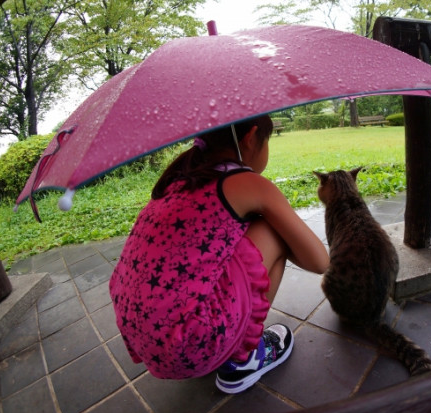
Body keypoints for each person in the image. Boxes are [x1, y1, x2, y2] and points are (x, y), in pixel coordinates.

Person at [109, 114, 329, 394]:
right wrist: (285, 242)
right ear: (250, 138)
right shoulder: (245, 182)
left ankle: (215, 343)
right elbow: (320, 261)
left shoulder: (178, 180)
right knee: (271, 230)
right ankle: (243, 360)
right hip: (189, 345)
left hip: (145, 340)